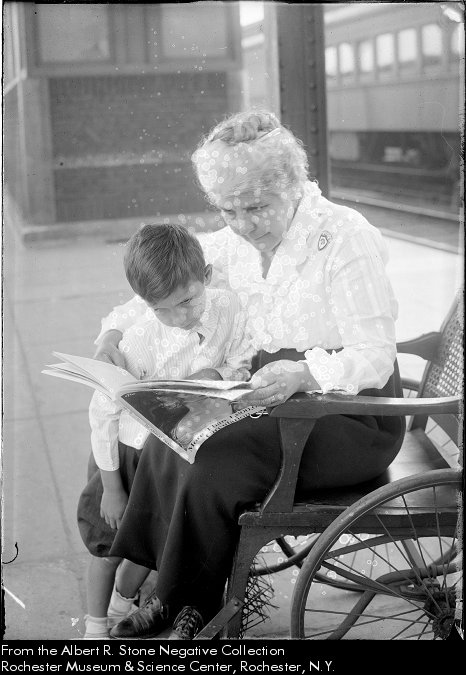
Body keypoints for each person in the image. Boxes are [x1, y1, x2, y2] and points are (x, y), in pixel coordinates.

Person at [93, 110, 405, 640]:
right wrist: (112, 335)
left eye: (257, 207)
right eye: (228, 210)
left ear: (293, 185)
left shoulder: (344, 236)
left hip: (349, 413)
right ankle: (167, 592)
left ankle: (182, 603)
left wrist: (306, 373)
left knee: (212, 454)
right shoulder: (231, 242)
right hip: (268, 400)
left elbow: (376, 354)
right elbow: (156, 292)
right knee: (174, 433)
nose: (243, 225)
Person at [79, 222, 255, 639]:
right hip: (126, 456)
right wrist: (112, 487)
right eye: (163, 308)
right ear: (147, 304)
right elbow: (102, 414)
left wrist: (217, 375)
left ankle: (123, 604)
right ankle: (94, 628)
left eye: (189, 301)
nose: (181, 316)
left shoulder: (229, 308)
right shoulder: (138, 340)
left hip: (173, 452)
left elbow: (241, 362)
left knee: (150, 540)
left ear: (206, 276)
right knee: (108, 546)